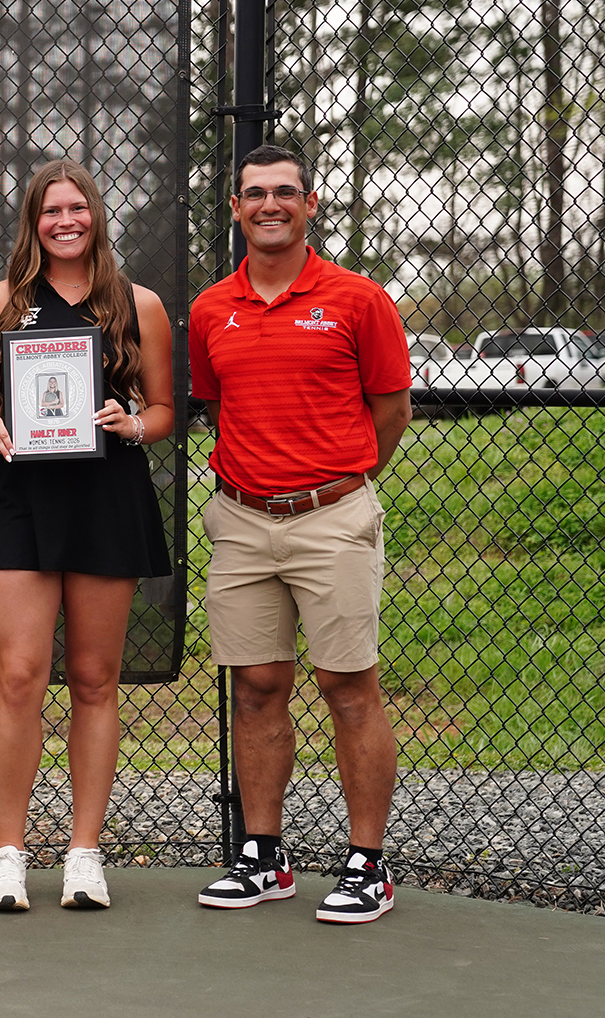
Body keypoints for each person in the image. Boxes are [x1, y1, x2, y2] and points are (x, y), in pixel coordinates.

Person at [189, 144, 411, 924]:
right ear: (237, 207)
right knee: (255, 690)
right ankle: (264, 857)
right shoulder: (211, 308)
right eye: (255, 194)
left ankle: (368, 865)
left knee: (349, 690)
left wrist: (337, 482)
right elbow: (222, 406)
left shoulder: (359, 300)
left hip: (334, 518)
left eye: (286, 192)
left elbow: (390, 411)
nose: (270, 204)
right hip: (242, 521)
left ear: (311, 204)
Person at [0, 159, 176, 912]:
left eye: (77, 208)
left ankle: (84, 853)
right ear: (34, 220)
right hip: (23, 499)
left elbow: (163, 412)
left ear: (95, 216)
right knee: (19, 676)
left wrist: (131, 423)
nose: (65, 221)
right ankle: (9, 853)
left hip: (105, 499)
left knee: (93, 679)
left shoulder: (138, 303)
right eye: (51, 210)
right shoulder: (0, 301)